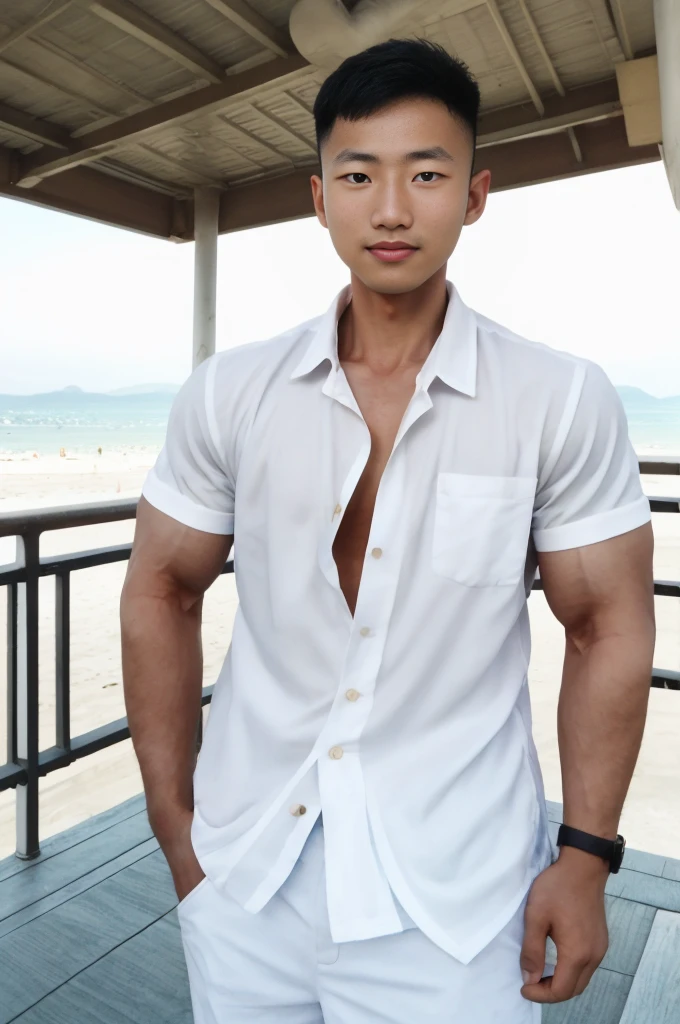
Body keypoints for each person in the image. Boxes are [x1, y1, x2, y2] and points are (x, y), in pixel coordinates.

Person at [120, 37, 655, 1024]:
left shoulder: (555, 397)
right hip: (245, 870)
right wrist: (174, 828)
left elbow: (605, 624)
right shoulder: (231, 391)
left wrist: (583, 857)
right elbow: (162, 586)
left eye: (426, 173)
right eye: (359, 175)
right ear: (319, 196)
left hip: (454, 895)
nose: (393, 208)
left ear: (475, 193)